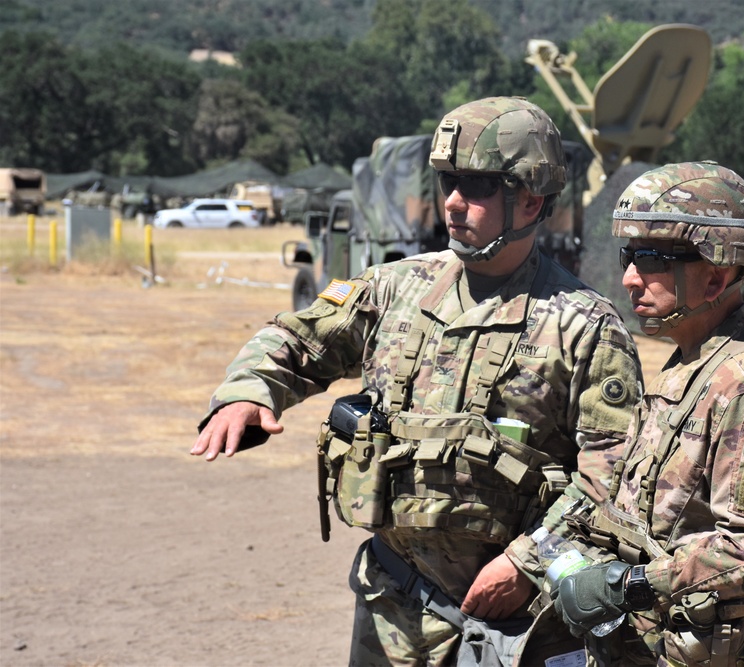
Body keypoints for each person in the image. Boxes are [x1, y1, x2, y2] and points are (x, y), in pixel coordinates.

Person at [190, 96, 643, 666]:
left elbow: (617, 482)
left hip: (518, 628)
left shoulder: (584, 326)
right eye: (448, 182)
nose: (454, 202)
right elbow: (295, 339)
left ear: (530, 199)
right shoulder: (392, 289)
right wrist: (247, 392)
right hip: (393, 611)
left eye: (477, 187)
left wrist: (529, 562)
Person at [551, 162, 744, 666]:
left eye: (650, 259)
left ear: (715, 278)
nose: (629, 277)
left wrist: (627, 585)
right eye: (629, 255)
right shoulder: (689, 364)